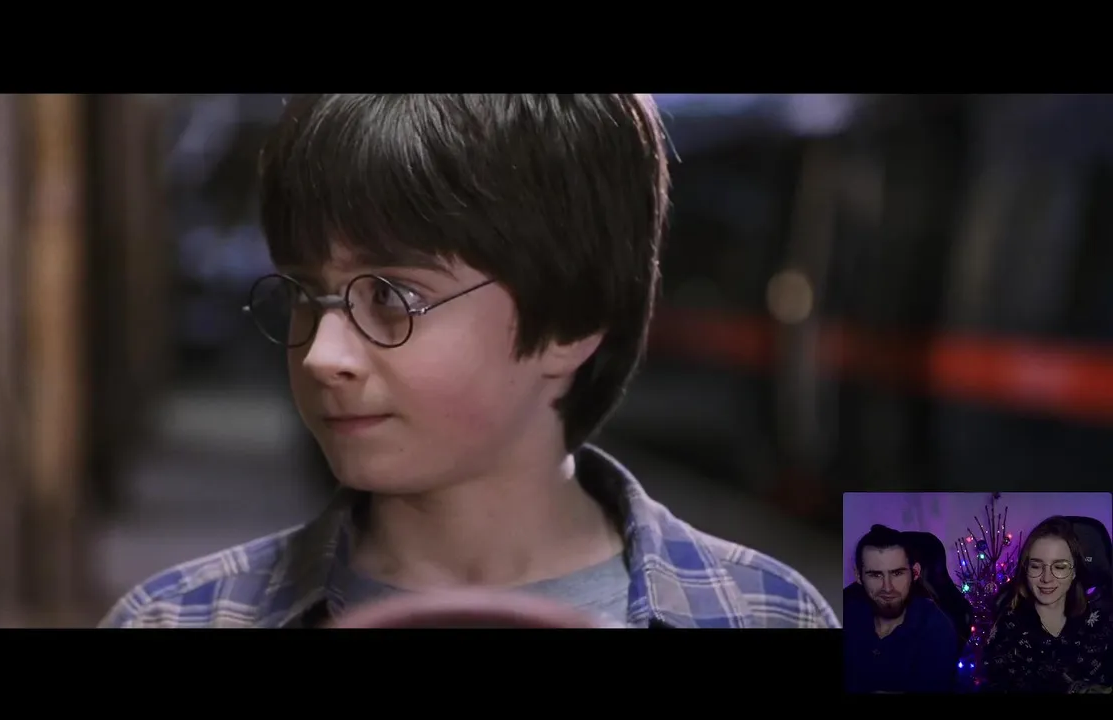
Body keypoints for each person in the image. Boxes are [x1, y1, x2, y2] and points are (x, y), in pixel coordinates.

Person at [99, 94, 840, 630]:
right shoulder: (177, 616)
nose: (323, 355)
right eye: (303, 294)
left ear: (572, 320)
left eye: (392, 297)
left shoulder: (767, 614)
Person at [981, 516, 1113, 693]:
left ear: (1074, 572)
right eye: (1036, 566)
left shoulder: (1101, 625)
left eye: (1059, 567)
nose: (1046, 578)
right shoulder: (1008, 630)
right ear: (1026, 569)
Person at [844, 525, 961, 693]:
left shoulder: (936, 628)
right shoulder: (847, 614)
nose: (887, 588)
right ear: (858, 576)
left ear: (915, 573)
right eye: (875, 575)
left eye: (897, 573)